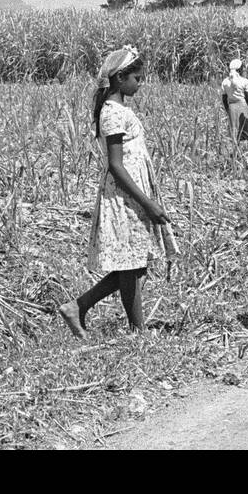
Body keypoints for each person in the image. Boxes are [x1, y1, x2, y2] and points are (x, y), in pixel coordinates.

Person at [59, 46, 177, 338]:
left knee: (134, 265)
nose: (141, 83)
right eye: (137, 78)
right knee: (131, 264)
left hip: (132, 193)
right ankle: (133, 328)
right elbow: (115, 165)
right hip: (124, 196)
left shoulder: (120, 109)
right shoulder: (112, 114)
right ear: (120, 77)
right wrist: (146, 202)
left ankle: (83, 307)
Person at [220, 58, 248, 146]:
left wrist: (228, 110)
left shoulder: (225, 82)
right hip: (244, 108)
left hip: (232, 109)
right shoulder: (244, 81)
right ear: (239, 70)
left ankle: (235, 155)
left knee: (235, 132)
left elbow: (224, 99)